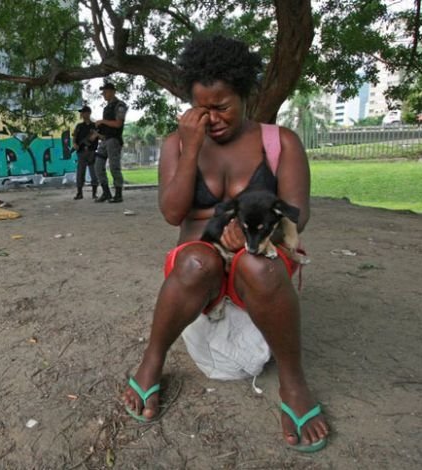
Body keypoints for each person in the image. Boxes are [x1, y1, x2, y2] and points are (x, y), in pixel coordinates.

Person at [122, 36, 329, 452]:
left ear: (245, 96)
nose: (212, 118)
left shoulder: (279, 142)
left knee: (256, 265)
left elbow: (297, 213)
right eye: (202, 109)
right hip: (201, 268)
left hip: (261, 261)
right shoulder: (177, 144)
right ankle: (151, 363)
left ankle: (293, 383)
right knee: (197, 262)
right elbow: (172, 213)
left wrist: (256, 235)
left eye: (222, 106)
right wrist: (192, 147)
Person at [94, 82, 128, 203]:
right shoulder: (107, 108)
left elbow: (118, 124)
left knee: (114, 167)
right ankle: (106, 192)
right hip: (105, 140)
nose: (103, 94)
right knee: (98, 166)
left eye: (106, 91)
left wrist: (103, 121)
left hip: (114, 140)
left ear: (113, 92)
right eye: (103, 92)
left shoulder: (120, 105)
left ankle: (118, 194)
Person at [72, 105, 99, 200]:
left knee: (94, 173)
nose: (82, 114)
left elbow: (98, 135)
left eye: (84, 112)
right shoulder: (79, 126)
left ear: (89, 113)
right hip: (81, 152)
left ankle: (94, 194)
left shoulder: (94, 125)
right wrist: (75, 144)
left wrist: (95, 136)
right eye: (82, 113)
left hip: (91, 151)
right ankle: (79, 193)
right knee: (80, 173)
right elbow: (74, 137)